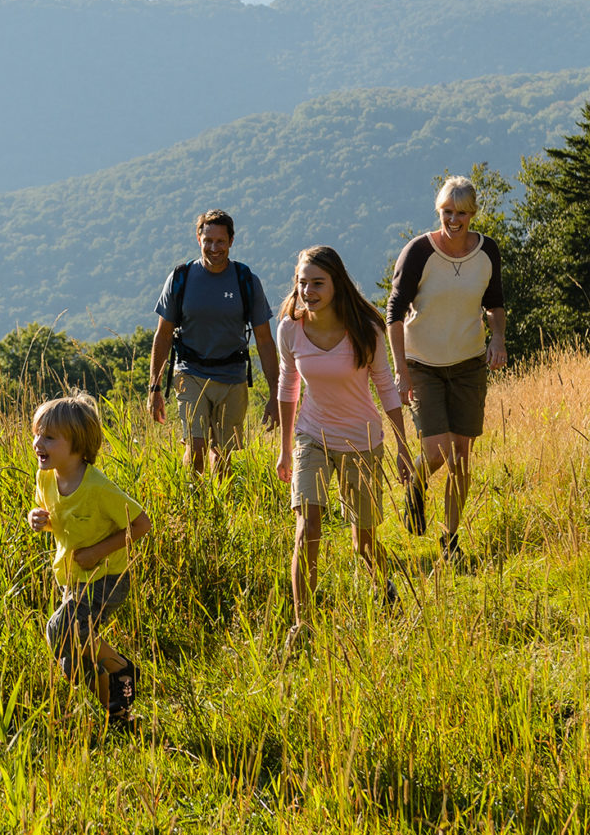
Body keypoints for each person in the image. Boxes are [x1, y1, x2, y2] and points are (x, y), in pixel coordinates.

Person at [276, 245, 416, 630]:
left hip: (360, 439)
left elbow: (386, 388)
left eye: (317, 283)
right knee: (308, 528)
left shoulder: (364, 330)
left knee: (363, 544)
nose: (308, 291)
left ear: (337, 284)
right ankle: (302, 625)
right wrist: (286, 450)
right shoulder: (290, 326)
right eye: (302, 283)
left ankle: (387, 587)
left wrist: (403, 449)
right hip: (311, 436)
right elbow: (287, 385)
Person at [386, 175, 507, 566]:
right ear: (438, 211)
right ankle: (417, 489)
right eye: (446, 212)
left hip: (469, 363)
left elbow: (495, 302)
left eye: (460, 213)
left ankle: (450, 540)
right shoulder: (418, 252)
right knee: (436, 452)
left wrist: (498, 338)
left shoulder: (487, 251)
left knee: (461, 456)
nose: (452, 220)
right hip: (424, 365)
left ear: (472, 214)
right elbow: (393, 313)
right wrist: (401, 371)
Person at [26, 390, 152, 728]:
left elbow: (141, 524)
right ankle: (118, 712)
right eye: (37, 433)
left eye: (49, 437)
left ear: (79, 445)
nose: (38, 442)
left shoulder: (98, 486)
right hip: (71, 576)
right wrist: (37, 518)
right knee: (71, 659)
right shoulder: (46, 477)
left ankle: (120, 666)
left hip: (106, 577)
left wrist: (98, 551)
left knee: (62, 628)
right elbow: (51, 513)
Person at [147, 209, 278, 476]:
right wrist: (155, 387)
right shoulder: (180, 278)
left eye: (220, 241)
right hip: (190, 372)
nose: (214, 247)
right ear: (198, 239)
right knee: (196, 446)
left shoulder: (246, 281)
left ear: (231, 241)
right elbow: (162, 335)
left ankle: (219, 512)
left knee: (223, 452)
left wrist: (276, 393)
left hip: (232, 376)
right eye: (208, 240)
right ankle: (193, 506)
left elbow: (264, 340)